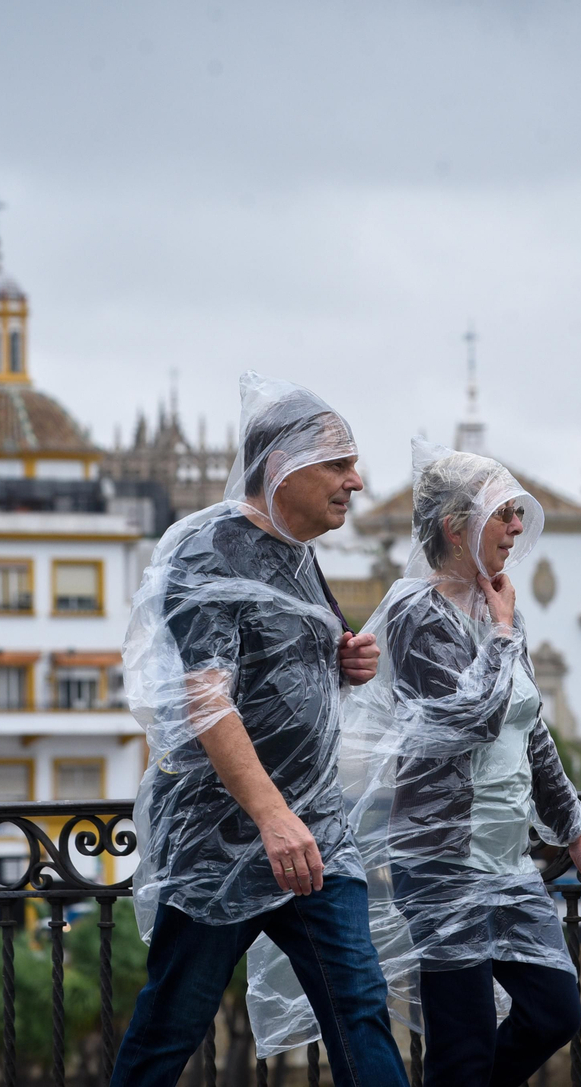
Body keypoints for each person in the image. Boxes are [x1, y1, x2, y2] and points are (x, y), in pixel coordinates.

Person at [247, 439, 581, 1084]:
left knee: (556, 1013)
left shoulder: (501, 612)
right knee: (463, 1044)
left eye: (516, 515)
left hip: (506, 859)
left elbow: (532, 736)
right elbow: (472, 718)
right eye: (503, 514)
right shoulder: (420, 616)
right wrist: (501, 634)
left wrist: (578, 838)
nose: (516, 528)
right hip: (442, 860)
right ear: (456, 526)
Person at [113, 372, 410, 1087]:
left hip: (314, 835)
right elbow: (206, 699)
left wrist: (344, 657)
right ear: (283, 464)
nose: (357, 481)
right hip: (223, 840)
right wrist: (272, 815)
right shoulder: (208, 550)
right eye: (339, 463)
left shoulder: (302, 556)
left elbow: (280, 663)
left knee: (361, 1010)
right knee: (172, 1028)